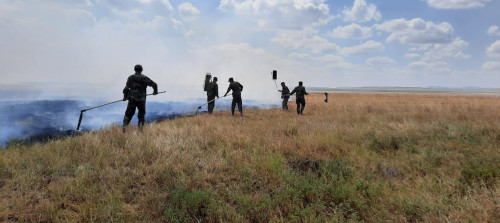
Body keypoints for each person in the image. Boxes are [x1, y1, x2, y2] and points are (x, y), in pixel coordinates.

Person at [122, 64, 158, 131]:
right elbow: (154, 85)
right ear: (141, 70)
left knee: (128, 114)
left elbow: (126, 89)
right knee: (141, 115)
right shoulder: (144, 78)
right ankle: (140, 130)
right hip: (141, 100)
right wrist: (155, 92)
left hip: (132, 99)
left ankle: (124, 128)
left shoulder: (131, 77)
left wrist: (125, 97)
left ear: (134, 70)